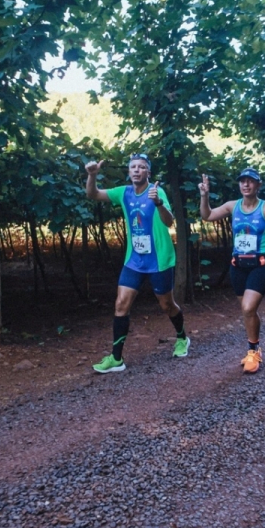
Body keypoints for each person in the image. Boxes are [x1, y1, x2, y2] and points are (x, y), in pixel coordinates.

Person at [84, 153, 190, 373]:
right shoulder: (123, 193)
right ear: (129, 171)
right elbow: (92, 194)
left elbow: (170, 222)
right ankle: (116, 358)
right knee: (121, 303)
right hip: (134, 260)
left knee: (166, 305)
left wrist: (158, 203)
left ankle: (182, 338)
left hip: (159, 259)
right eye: (133, 166)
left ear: (148, 172)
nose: (136, 170)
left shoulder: (156, 191)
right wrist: (92, 175)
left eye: (142, 167)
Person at [198, 168, 265, 374]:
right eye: (242, 181)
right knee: (247, 310)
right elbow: (206, 215)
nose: (246, 184)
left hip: (261, 265)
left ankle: (253, 352)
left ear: (258, 185)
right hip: (238, 266)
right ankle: (253, 347)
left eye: (250, 181)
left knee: (249, 308)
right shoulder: (233, 206)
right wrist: (204, 196)